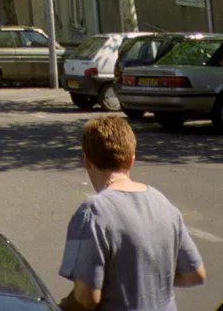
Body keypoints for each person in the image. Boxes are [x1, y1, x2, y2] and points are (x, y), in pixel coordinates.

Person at [60, 116, 206, 311]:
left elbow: (87, 297)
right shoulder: (163, 203)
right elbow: (195, 274)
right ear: (131, 160)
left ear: (87, 160)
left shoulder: (92, 213)